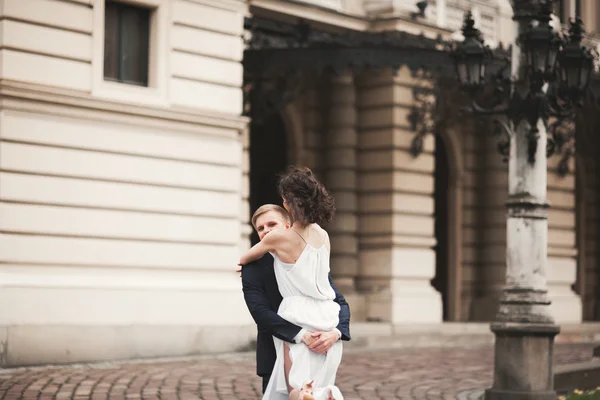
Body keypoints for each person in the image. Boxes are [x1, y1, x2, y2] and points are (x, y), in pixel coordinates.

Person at [239, 167, 347, 400]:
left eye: (271, 224)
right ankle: (322, 394)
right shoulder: (323, 236)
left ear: (288, 210)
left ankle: (313, 395)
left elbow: (244, 257)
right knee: (310, 385)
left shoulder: (278, 241)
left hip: (299, 315)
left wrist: (337, 333)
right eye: (260, 228)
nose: (266, 232)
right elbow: (260, 311)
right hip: (325, 315)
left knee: (294, 389)